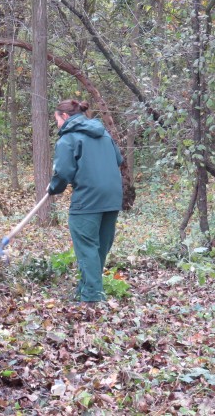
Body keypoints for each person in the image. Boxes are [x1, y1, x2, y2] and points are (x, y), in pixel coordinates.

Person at [47, 99, 123, 303]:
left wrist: (54, 188)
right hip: (113, 197)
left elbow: (63, 171)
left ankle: (92, 299)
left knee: (87, 247)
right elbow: (118, 159)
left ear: (64, 117)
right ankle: (84, 290)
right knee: (98, 249)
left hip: (88, 199)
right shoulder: (104, 133)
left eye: (56, 119)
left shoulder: (68, 138)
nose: (56, 125)